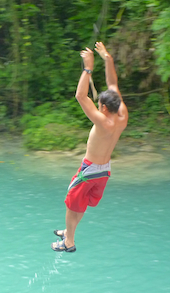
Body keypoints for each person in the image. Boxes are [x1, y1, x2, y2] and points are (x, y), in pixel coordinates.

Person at [52, 42, 128, 252]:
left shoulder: (102, 122)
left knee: (70, 203)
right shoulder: (122, 117)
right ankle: (69, 233)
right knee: (81, 202)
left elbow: (80, 96)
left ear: (103, 107)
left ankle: (69, 242)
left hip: (90, 169)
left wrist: (87, 68)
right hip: (104, 172)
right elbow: (113, 83)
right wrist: (107, 58)